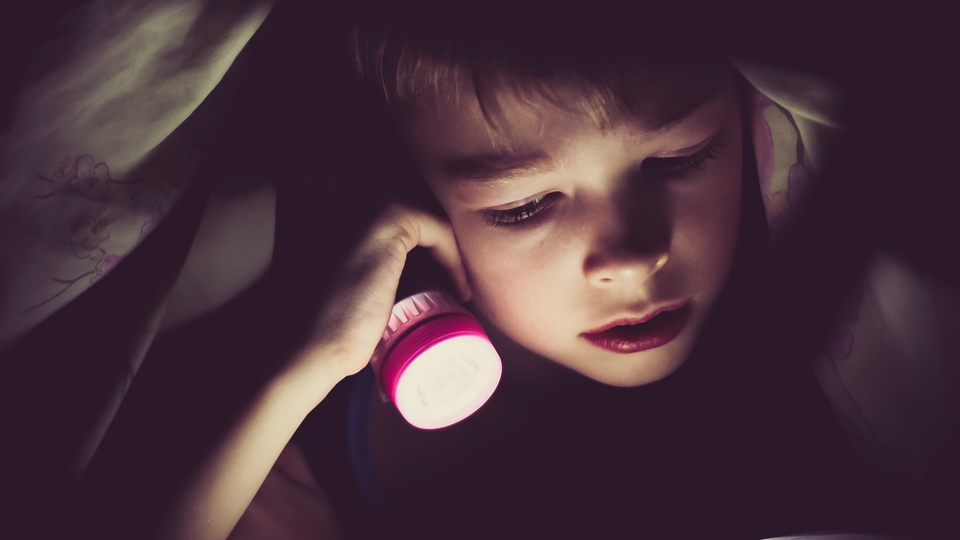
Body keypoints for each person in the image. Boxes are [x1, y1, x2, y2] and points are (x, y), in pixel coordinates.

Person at [88, 4, 958, 540]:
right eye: (523, 206)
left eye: (681, 158)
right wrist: (304, 369)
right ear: (413, 201)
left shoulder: (806, 349)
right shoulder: (314, 429)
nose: (634, 255)